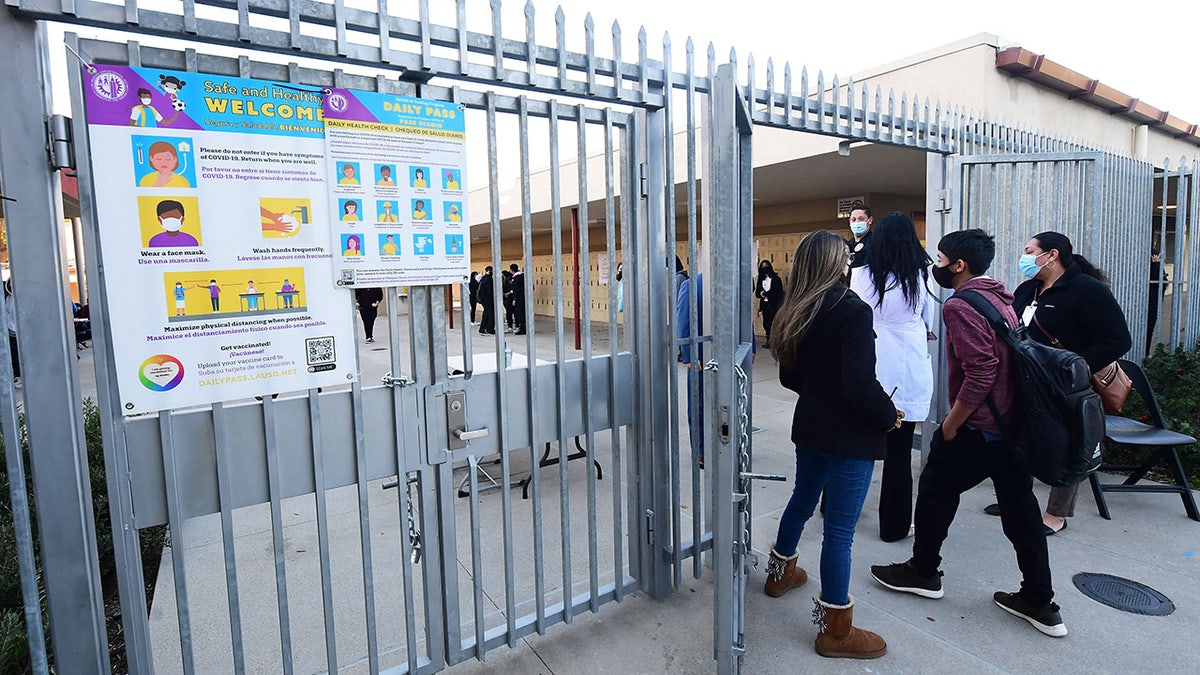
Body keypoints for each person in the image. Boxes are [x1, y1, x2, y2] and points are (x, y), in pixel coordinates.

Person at [871, 228, 1067, 638]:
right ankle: (1039, 599)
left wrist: (951, 424)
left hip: (980, 426)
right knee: (1021, 512)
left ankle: (923, 572)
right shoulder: (1001, 296)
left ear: (959, 265)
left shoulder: (959, 306)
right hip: (1010, 424)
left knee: (936, 489)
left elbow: (981, 372)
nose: (936, 266)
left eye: (941, 259)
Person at [763, 230, 899, 660]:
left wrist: (820, 391)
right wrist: (888, 415)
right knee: (839, 532)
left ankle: (779, 574)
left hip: (812, 428)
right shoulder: (851, 310)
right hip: (848, 436)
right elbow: (860, 384)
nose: (849, 261)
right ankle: (837, 631)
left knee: (802, 501)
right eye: (845, 255)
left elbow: (789, 377)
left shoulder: (795, 307)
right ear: (832, 262)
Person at [982, 232, 1130, 534]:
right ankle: (1017, 500)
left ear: (1051, 255)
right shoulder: (1028, 289)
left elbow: (1117, 339)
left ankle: (1056, 514)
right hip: (1028, 381)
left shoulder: (1086, 290)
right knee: (1020, 439)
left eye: (1029, 251)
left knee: (1068, 444)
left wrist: (1075, 368)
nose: (1024, 257)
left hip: (1068, 386)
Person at [849, 212, 935, 542]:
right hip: (907, 364)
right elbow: (928, 320)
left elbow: (856, 312)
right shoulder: (919, 273)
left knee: (855, 444)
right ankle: (894, 527)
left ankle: (837, 507)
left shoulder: (862, 270)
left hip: (870, 360)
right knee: (899, 455)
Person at [754, 259, 784, 349]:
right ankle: (768, 341)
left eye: (766, 266)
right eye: (762, 267)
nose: (764, 268)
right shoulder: (761, 280)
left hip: (773, 305)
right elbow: (757, 293)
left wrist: (765, 294)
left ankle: (775, 341)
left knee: (774, 323)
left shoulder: (776, 279)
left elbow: (778, 292)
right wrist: (761, 293)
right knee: (766, 324)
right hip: (765, 306)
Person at [1147, 247, 1168, 356]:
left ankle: (1144, 354)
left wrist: (1156, 264)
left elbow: (1162, 283)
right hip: (1150, 303)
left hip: (1150, 303)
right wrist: (1156, 265)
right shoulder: (1154, 266)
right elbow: (1162, 283)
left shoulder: (1154, 265)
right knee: (1147, 331)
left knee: (1147, 332)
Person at [845, 204, 873, 270]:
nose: (857, 222)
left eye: (861, 219)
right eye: (853, 219)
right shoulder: (848, 245)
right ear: (849, 222)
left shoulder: (876, 242)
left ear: (870, 220)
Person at [477, 266, 496, 335]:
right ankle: (490, 329)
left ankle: (483, 328)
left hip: (484, 300)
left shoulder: (484, 278)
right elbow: (489, 291)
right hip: (489, 300)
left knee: (486, 314)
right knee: (490, 315)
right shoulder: (488, 279)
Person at [509, 264, 527, 335]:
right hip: (523, 296)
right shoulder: (522, 276)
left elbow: (516, 289)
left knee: (518, 313)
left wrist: (514, 299)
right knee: (521, 312)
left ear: (512, 270)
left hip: (519, 298)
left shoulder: (517, 278)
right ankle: (522, 327)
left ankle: (521, 328)